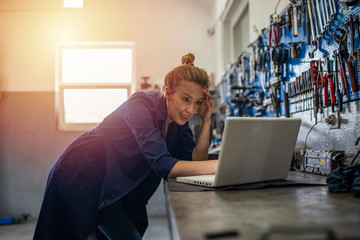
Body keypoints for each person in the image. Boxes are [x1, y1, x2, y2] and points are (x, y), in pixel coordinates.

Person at [33, 53, 218, 240]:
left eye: (197, 103)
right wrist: (219, 165)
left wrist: (205, 120)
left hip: (114, 186)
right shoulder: (141, 105)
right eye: (186, 99)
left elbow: (195, 164)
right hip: (82, 175)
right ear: (168, 92)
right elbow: (163, 165)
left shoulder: (179, 123)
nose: (191, 110)